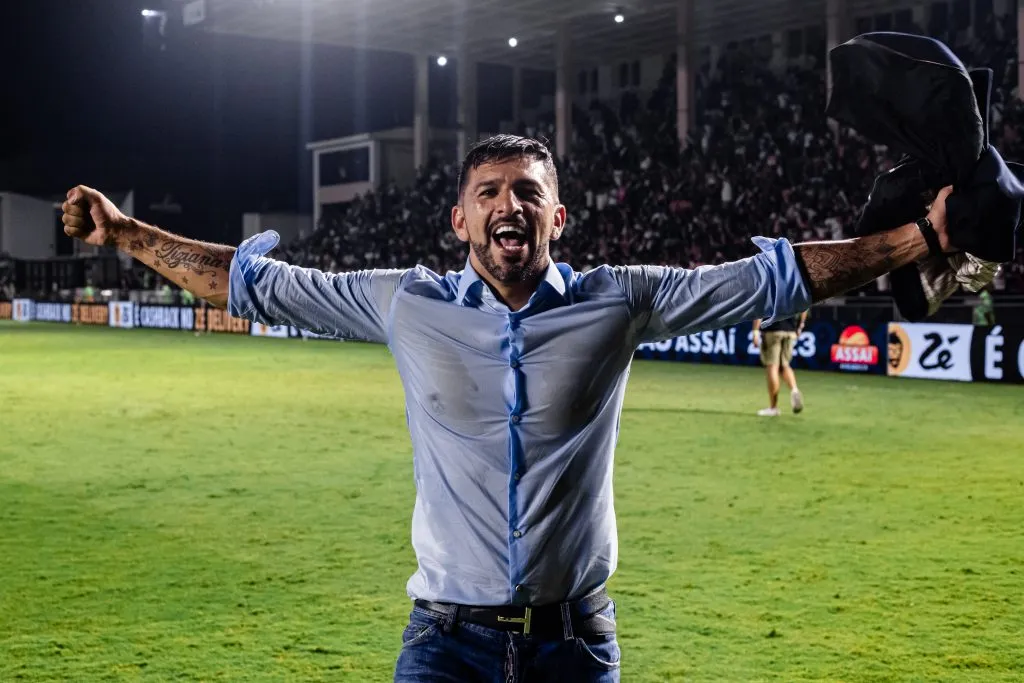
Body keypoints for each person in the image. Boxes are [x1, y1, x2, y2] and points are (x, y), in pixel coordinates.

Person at [61, 135, 956, 683]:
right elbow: (256, 283)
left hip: (577, 644)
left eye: (527, 190)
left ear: (557, 216)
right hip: (445, 645)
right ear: (459, 220)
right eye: (488, 192)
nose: (508, 205)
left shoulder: (620, 299)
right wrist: (122, 232)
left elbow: (774, 277)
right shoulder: (405, 302)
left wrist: (926, 237)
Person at [752, 310, 808, 416]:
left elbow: (760, 308)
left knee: (772, 366)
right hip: (790, 330)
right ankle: (794, 389)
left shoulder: (769, 292)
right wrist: (801, 325)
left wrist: (755, 331)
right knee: (785, 365)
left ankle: (773, 408)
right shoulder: (792, 292)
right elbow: (804, 306)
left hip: (772, 329)